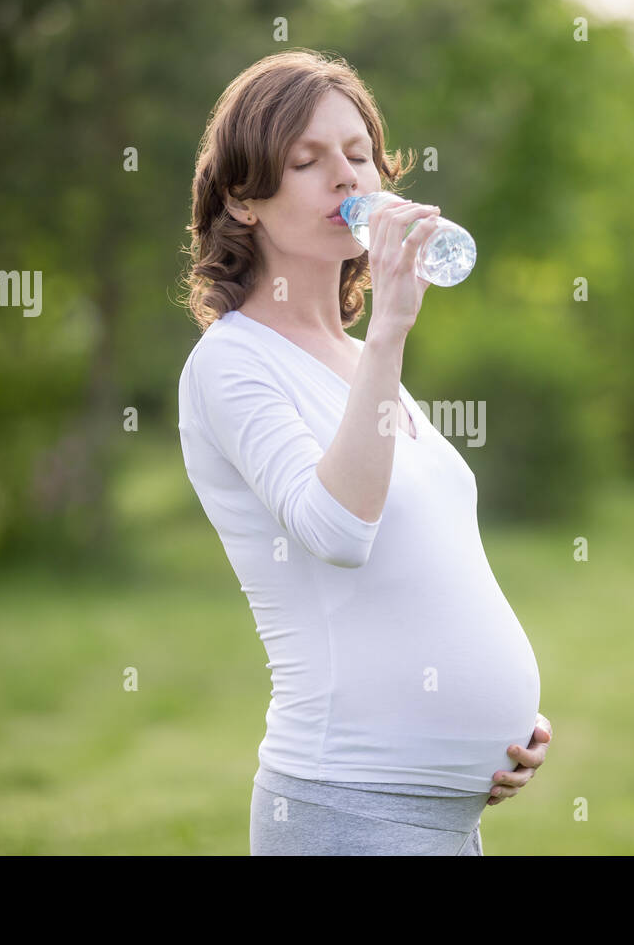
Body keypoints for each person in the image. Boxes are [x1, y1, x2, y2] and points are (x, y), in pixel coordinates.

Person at [177, 49, 551, 855]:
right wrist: (391, 330)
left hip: (444, 817)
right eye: (306, 162)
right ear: (244, 200)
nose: (346, 179)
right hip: (350, 810)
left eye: (359, 155)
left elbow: (425, 568)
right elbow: (339, 531)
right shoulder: (232, 362)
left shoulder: (354, 358)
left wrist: (500, 722)